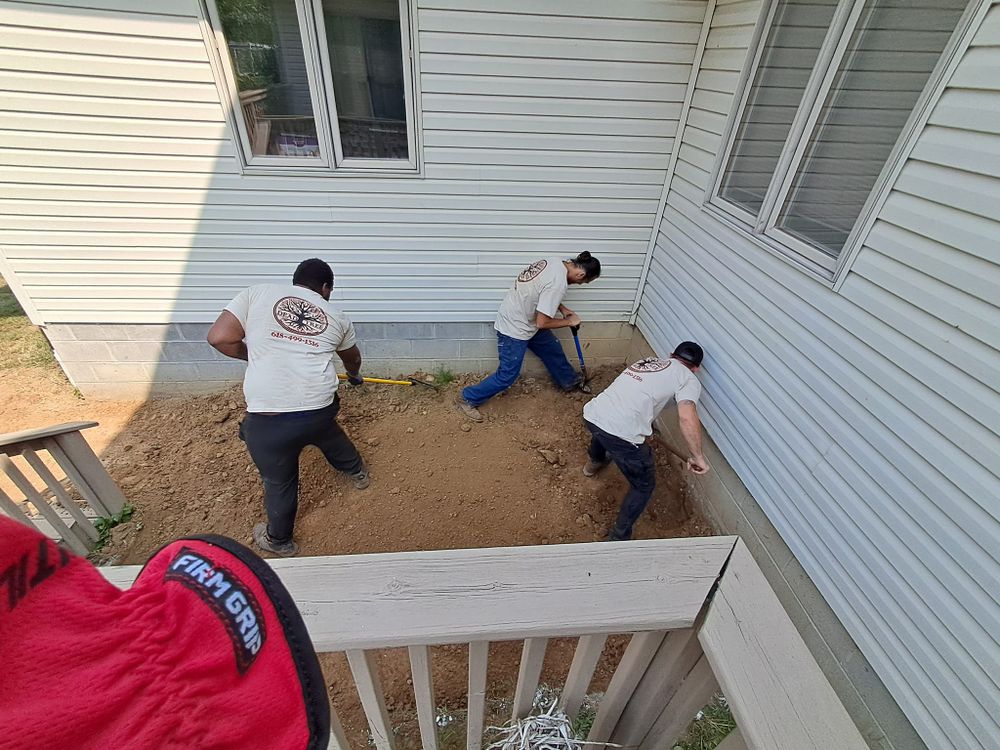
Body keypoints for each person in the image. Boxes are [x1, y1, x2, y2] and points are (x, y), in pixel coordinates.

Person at [207, 258, 368, 557]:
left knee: (280, 481)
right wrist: (355, 377)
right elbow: (352, 359)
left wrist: (254, 355)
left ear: (295, 281)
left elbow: (219, 337)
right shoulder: (336, 315)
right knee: (327, 431)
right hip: (320, 408)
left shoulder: (256, 293)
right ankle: (357, 471)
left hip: (269, 421)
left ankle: (280, 541)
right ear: (325, 287)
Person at [581, 342, 710, 541]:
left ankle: (594, 463)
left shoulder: (649, 361)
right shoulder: (688, 379)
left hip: (593, 414)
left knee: (604, 431)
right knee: (643, 486)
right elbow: (686, 417)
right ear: (697, 368)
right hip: (621, 435)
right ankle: (619, 537)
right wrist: (698, 456)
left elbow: (640, 396)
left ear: (671, 355)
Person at [456, 252, 602, 421]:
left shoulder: (554, 262)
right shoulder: (558, 283)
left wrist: (563, 309)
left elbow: (542, 292)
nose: (578, 284)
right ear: (581, 274)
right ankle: (467, 398)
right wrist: (569, 322)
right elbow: (542, 323)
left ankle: (569, 381)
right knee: (507, 375)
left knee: (551, 348)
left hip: (525, 318)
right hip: (515, 327)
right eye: (581, 282)